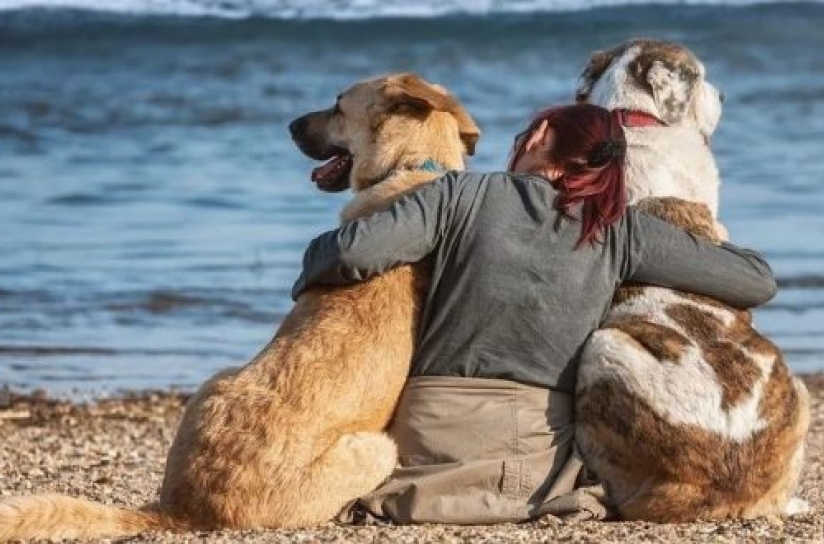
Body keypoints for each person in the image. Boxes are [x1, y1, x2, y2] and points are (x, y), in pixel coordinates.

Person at [291, 104, 777, 524]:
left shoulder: (460, 194)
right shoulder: (620, 230)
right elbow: (756, 279)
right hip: (533, 465)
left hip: (427, 441)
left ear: (541, 137)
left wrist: (307, 272)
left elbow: (351, 253)